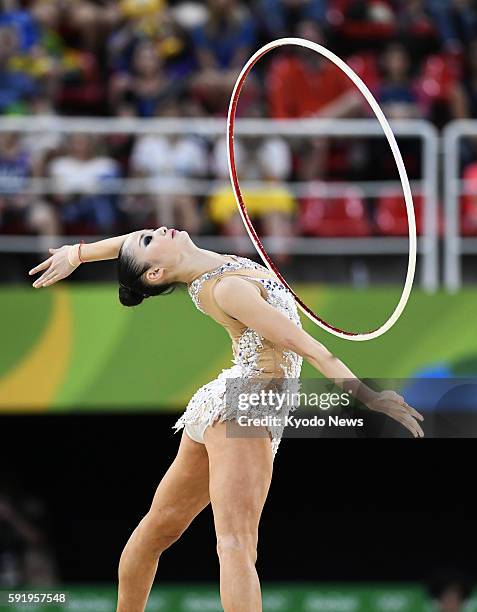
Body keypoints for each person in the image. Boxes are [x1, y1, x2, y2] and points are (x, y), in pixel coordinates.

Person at [28, 226, 424, 612]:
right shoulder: (225, 288)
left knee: (159, 529)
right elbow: (303, 345)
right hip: (246, 406)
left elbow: (128, 248)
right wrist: (368, 396)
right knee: (235, 543)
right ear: (155, 274)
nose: (157, 228)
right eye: (148, 239)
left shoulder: (208, 267)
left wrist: (78, 253)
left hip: (226, 403)